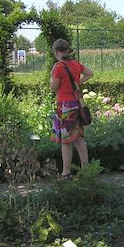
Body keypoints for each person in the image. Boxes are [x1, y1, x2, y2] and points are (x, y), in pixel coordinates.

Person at [49, 39, 94, 178]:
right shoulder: (75, 64)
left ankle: (66, 172)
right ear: (68, 51)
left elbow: (53, 87)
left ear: (56, 52)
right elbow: (90, 73)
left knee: (66, 141)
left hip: (65, 107)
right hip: (77, 104)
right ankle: (86, 170)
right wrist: (78, 82)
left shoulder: (58, 67)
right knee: (79, 138)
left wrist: (52, 74)